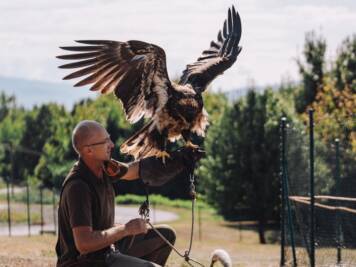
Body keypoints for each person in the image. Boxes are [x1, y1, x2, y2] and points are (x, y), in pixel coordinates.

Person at [56, 120, 204, 267]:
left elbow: (133, 170)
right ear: (89, 150)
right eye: (105, 141)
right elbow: (84, 244)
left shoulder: (104, 167)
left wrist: (178, 160)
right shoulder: (78, 186)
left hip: (105, 251)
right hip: (84, 262)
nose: (112, 145)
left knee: (166, 235)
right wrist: (125, 229)